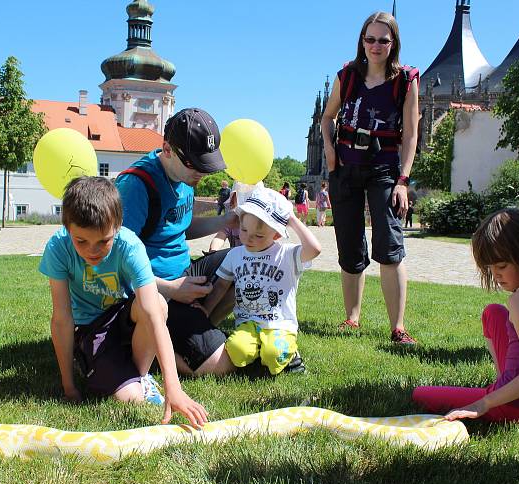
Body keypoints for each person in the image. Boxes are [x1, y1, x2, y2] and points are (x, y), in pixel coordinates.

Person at [115, 108, 306, 377]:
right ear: (167, 149)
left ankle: (252, 331)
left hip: (183, 277)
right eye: (197, 164)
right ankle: (160, 347)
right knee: (221, 366)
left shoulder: (183, 177)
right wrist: (172, 289)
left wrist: (226, 220)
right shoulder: (136, 186)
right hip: (152, 291)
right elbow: (116, 263)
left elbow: (179, 228)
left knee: (245, 258)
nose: (203, 174)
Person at [39, 176, 208, 428]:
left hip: (123, 316)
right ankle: (121, 376)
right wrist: (69, 386)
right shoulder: (58, 247)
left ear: (117, 226)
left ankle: (140, 376)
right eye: (81, 241)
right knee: (130, 399)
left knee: (159, 303)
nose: (91, 251)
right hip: (91, 328)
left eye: (103, 241)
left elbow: (153, 313)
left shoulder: (129, 245)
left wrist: (174, 388)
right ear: (67, 228)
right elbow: (62, 319)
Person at [412, 209, 519, 423]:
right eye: (491, 267)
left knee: (420, 394)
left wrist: (484, 402)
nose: (496, 275)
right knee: (493, 313)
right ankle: (504, 386)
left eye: (502, 266)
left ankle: (500, 393)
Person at [321, 11, 418, 344]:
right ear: (362, 41)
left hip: (385, 169)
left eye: (383, 40)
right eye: (370, 39)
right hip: (345, 167)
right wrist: (330, 150)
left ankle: (398, 327)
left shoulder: (406, 80)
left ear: (394, 43)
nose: (376, 46)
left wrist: (403, 180)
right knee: (349, 244)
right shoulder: (348, 75)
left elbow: (411, 135)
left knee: (390, 247)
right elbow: (327, 117)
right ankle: (352, 318)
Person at [200, 187, 322, 374]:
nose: (248, 238)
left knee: (273, 353)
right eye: (244, 229)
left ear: (276, 234)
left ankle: (291, 357)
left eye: (259, 235)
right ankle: (257, 352)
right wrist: (205, 313)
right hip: (248, 322)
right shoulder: (235, 255)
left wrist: (292, 219)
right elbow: (221, 286)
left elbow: (314, 249)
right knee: (237, 351)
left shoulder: (286, 254)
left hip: (280, 324)